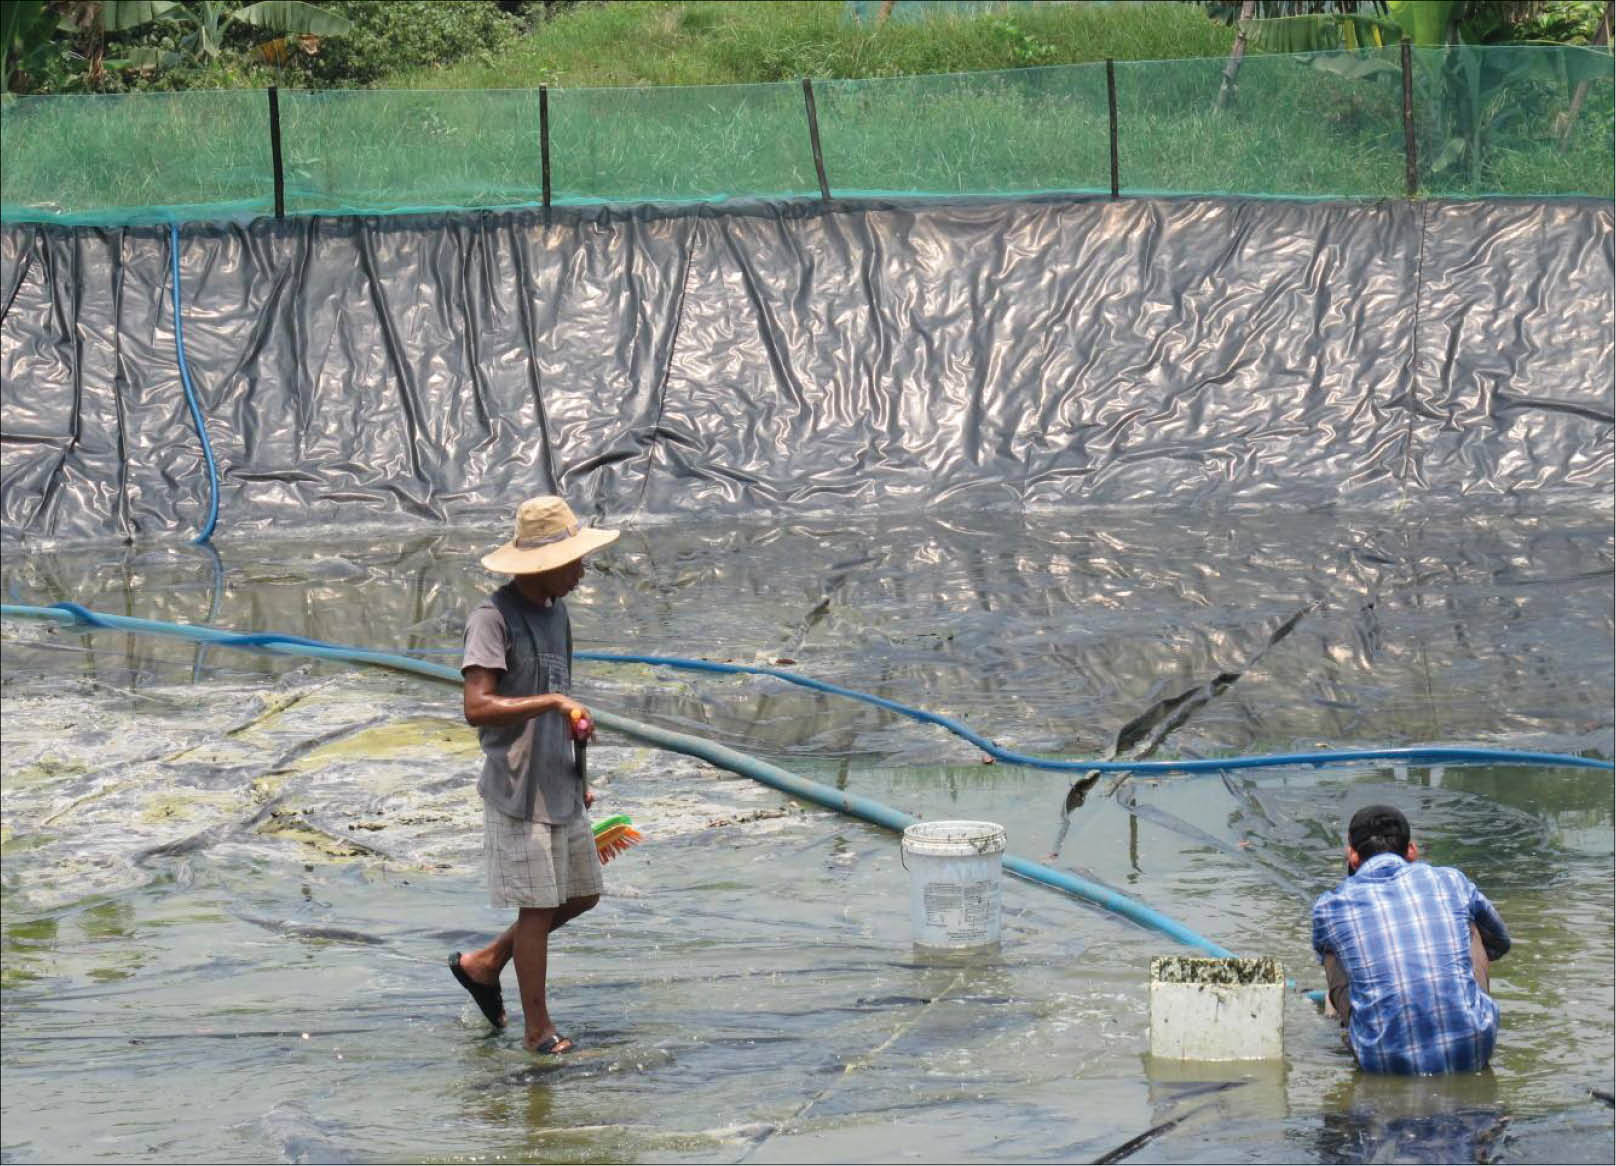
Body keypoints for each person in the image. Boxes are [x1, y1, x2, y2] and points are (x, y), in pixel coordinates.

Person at [448, 495, 619, 1056]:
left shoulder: (557, 614)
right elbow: (477, 705)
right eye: (574, 561)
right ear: (544, 565)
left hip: (557, 780)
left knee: (582, 895)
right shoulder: (492, 620)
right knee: (538, 907)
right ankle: (537, 1032)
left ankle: (486, 962)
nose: (582, 571)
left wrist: (576, 759)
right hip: (518, 789)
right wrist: (553, 702)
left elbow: (559, 695)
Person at [1312, 803, 1511, 1075]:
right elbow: (1500, 941)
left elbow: (1332, 959)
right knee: (1471, 924)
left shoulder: (1329, 905)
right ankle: (1463, 1016)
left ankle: (1343, 1020)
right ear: (1412, 851)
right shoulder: (1451, 881)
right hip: (1474, 1049)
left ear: (1353, 857)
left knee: (1332, 949)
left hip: (1382, 1061)